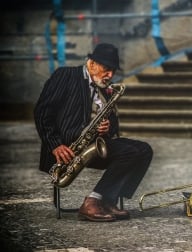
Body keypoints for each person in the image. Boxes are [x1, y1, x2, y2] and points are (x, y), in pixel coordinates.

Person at [34, 43, 153, 222]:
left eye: (113, 71)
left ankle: (107, 199)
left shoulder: (106, 88)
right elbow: (42, 112)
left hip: (93, 145)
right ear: (91, 64)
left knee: (144, 150)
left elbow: (113, 125)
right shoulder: (66, 75)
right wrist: (55, 145)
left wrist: (108, 128)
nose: (110, 75)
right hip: (67, 148)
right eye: (106, 69)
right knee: (130, 152)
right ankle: (93, 202)